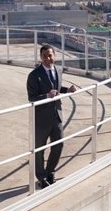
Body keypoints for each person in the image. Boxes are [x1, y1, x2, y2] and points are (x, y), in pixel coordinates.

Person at [27, 44, 76, 188]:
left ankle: (50, 172)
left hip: (57, 115)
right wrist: (46, 96)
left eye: (50, 55)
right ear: (40, 58)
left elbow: (57, 88)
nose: (48, 58)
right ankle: (41, 178)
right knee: (39, 150)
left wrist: (68, 90)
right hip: (41, 118)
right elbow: (32, 98)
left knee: (59, 144)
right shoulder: (34, 75)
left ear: (54, 55)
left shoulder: (58, 70)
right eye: (44, 56)